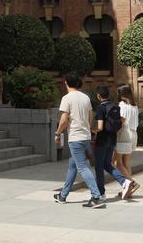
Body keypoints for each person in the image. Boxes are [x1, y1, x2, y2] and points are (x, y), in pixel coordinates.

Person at [52, 73, 104, 208]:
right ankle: (63, 195)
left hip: (75, 137)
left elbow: (63, 120)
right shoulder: (85, 97)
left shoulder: (67, 98)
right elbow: (90, 117)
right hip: (85, 136)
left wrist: (57, 134)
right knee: (73, 165)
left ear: (66, 83)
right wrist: (85, 127)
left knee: (82, 167)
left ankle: (96, 196)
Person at [93, 85, 128, 199]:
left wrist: (91, 131)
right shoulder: (115, 106)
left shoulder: (101, 108)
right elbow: (121, 122)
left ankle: (101, 193)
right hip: (112, 139)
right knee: (107, 164)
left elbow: (100, 127)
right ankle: (124, 181)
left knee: (99, 167)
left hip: (102, 140)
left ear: (98, 96)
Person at [113, 85, 141, 199]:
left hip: (124, 134)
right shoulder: (135, 106)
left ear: (122, 95)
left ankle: (132, 183)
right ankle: (128, 190)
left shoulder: (122, 105)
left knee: (116, 162)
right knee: (126, 163)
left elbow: (122, 121)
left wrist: (114, 133)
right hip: (134, 134)